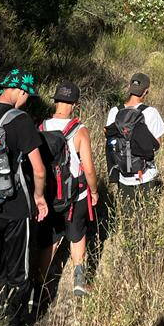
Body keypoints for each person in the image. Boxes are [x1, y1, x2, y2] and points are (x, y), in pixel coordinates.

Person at [0, 69, 48, 326]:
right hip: (17, 205)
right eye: (27, 95)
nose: (27, 100)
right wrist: (39, 197)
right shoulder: (21, 120)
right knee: (19, 264)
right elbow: (38, 169)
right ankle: (13, 322)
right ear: (20, 91)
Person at [36, 82, 99, 297]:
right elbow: (89, 168)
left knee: (49, 240)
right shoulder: (79, 130)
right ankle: (79, 281)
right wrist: (95, 191)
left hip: (49, 195)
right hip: (76, 195)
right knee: (77, 236)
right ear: (75, 104)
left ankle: (40, 288)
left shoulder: (41, 127)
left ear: (55, 100)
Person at [105, 73, 164, 213]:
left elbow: (110, 142)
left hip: (123, 174)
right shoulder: (150, 112)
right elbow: (156, 145)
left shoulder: (114, 111)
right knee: (146, 215)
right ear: (146, 91)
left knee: (128, 215)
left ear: (129, 87)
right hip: (146, 174)